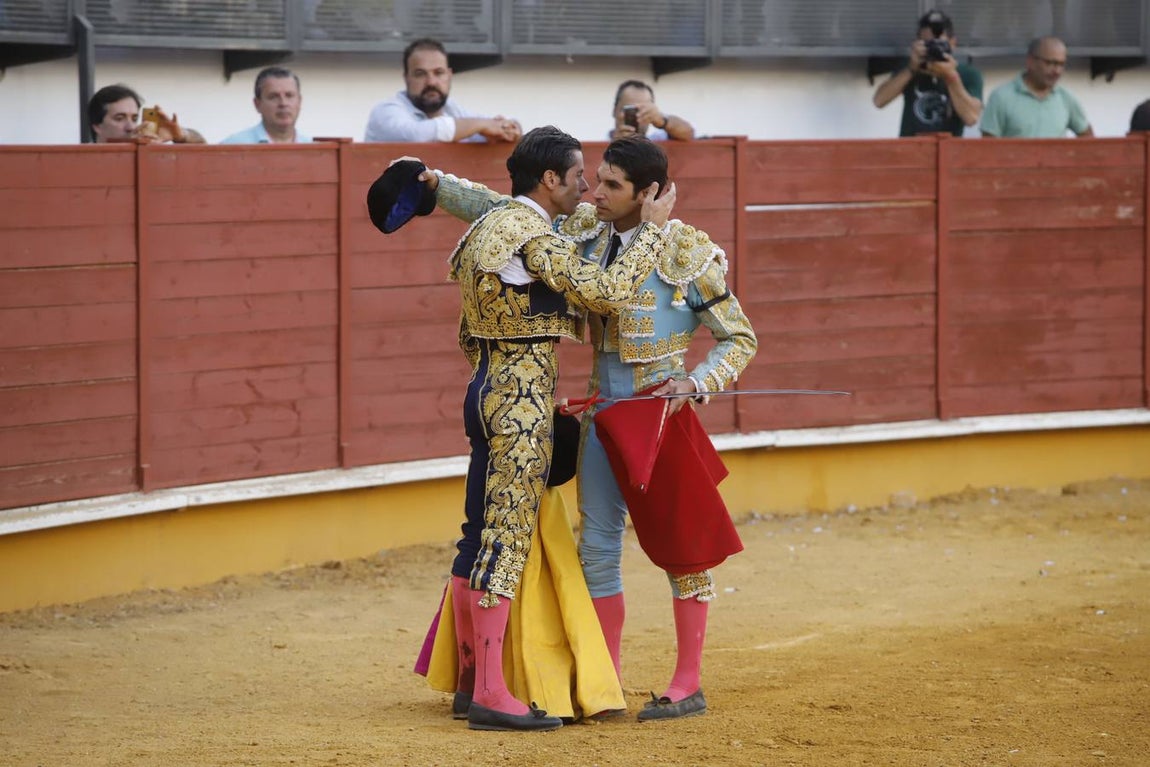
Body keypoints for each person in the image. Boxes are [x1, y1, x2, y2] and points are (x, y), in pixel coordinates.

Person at [431, 136, 756, 722]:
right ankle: (603, 682)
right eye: (596, 179)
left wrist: (698, 382)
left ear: (648, 194)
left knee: (684, 553)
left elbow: (740, 337)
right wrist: (436, 186)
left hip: (660, 416)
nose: (595, 194)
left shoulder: (686, 250)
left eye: (611, 185)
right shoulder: (587, 231)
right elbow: (502, 210)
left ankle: (688, 681)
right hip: (603, 413)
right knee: (597, 549)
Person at [364, 38, 521, 143]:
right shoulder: (385, 111)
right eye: (420, 74)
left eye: (438, 73)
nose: (431, 82)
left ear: (449, 75)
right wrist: (481, 125)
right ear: (406, 78)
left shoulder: (452, 109)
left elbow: (489, 128)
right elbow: (415, 135)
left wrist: (510, 127)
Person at [871, 9, 983, 137]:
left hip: (948, 151)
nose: (934, 49)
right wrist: (911, 69)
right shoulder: (910, 67)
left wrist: (950, 76)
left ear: (953, 43)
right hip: (911, 149)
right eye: (928, 44)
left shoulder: (968, 73)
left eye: (940, 44)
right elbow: (879, 100)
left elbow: (971, 118)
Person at [980, 36, 1093, 138]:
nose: (1057, 71)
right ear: (1030, 62)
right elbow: (988, 146)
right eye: (1050, 63)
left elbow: (1087, 138)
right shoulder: (1001, 97)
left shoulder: (1066, 98)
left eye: (1061, 64)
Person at [87, 84, 205, 144]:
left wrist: (180, 135)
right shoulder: (81, 159)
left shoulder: (145, 148)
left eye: (134, 119)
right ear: (97, 126)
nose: (131, 127)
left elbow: (204, 146)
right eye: (119, 118)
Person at [221, 66, 311, 144]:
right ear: (257, 104)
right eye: (273, 97)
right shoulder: (233, 148)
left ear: (299, 102)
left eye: (289, 95)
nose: (283, 103)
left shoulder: (314, 150)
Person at [609, 80, 695, 141]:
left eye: (643, 110)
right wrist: (615, 145)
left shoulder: (657, 140)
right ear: (614, 110)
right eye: (629, 110)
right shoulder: (599, 142)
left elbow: (688, 133)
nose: (636, 116)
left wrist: (662, 120)